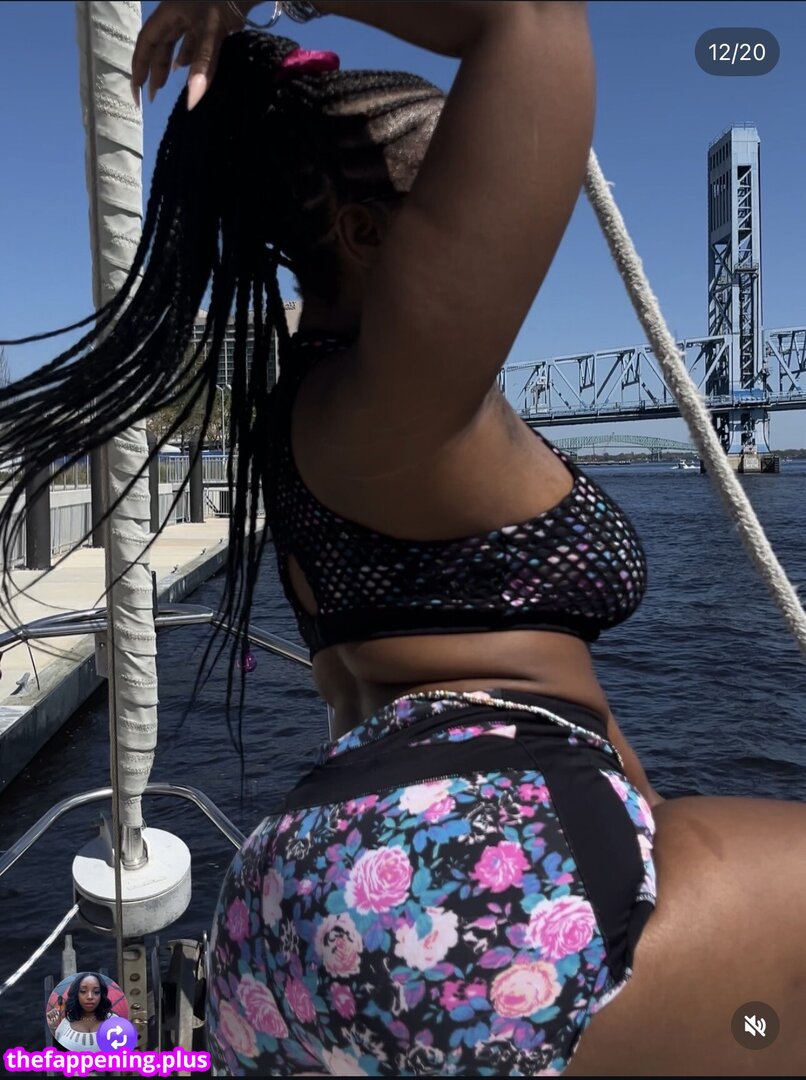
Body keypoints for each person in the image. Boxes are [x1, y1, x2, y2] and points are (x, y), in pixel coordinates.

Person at [0, 0, 803, 1075]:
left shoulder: (311, 406)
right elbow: (530, 19)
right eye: (450, 194)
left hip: (296, 901)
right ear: (366, 234)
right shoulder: (401, 397)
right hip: (469, 871)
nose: (494, 215)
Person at [46, 972, 113, 1051]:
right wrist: (53, 1028)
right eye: (83, 991)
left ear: (101, 995)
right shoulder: (65, 1024)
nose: (90, 997)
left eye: (96, 992)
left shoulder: (115, 1022)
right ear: (76, 994)